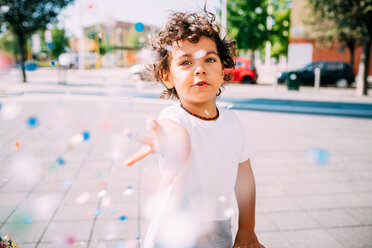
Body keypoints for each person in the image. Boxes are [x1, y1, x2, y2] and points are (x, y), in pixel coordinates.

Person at [124, 9, 264, 248]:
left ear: (223, 69)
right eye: (186, 62)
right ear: (168, 76)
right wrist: (164, 140)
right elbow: (175, 134)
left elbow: (245, 179)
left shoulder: (232, 121)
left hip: (219, 227)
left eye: (209, 59)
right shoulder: (174, 116)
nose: (199, 69)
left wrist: (247, 229)